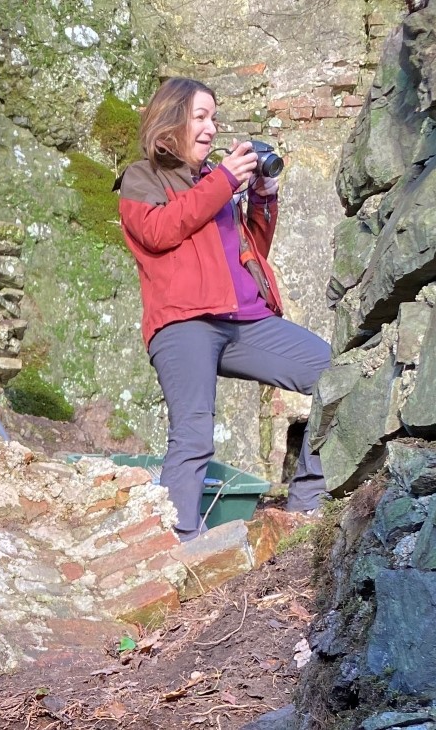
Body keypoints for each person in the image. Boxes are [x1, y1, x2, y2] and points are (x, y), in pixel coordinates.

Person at [116, 77, 330, 542]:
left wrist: (262, 194)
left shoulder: (214, 180)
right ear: (170, 123)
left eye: (213, 117)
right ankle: (177, 544)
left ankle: (308, 506)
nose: (211, 128)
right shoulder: (142, 178)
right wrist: (226, 179)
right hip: (183, 321)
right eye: (200, 117)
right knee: (193, 435)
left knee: (338, 374)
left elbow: (253, 250)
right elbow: (159, 231)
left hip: (246, 320)